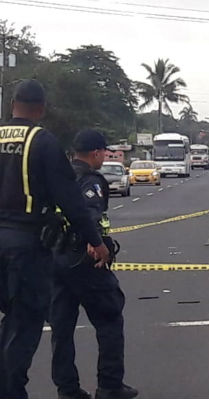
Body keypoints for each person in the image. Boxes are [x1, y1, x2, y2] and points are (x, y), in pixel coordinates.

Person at [0, 79, 109, 398]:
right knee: (24, 324)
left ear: (12, 104)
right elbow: (71, 200)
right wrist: (95, 240)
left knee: (11, 323)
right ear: (41, 109)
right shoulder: (42, 141)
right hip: (25, 245)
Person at [49, 129, 137, 399]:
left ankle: (67, 389)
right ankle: (110, 385)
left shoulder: (56, 177)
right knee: (110, 318)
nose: (105, 156)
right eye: (104, 152)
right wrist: (96, 243)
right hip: (85, 262)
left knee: (61, 328)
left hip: (54, 258)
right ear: (96, 152)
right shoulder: (90, 181)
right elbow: (87, 213)